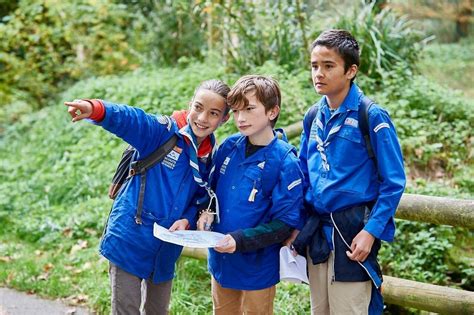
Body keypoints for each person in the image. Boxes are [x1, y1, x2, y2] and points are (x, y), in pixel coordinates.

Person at [64, 79, 230, 315]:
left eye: (213, 113)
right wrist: (96, 109)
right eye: (198, 107)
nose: (202, 118)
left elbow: (199, 200)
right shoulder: (161, 133)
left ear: (224, 119)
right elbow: (131, 119)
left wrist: (188, 219)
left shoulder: (209, 157)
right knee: (127, 310)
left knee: (157, 311)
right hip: (130, 238)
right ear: (190, 104)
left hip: (165, 249)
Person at [292, 29, 406, 314]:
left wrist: (371, 231)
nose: (319, 73)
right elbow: (304, 171)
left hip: (353, 236)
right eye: (314, 66)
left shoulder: (372, 116)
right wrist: (298, 222)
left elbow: (393, 182)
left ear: (351, 70)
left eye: (329, 66)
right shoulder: (313, 116)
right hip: (318, 235)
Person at [197, 75, 304, 314]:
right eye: (235, 111)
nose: (240, 118)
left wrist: (240, 240)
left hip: (258, 269)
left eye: (249, 109)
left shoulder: (285, 161)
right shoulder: (228, 147)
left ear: (272, 111)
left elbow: (286, 223)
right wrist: (206, 212)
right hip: (222, 262)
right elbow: (210, 193)